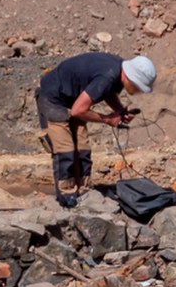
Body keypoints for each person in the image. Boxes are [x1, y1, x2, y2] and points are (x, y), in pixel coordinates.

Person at [35, 52, 157, 208]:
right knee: (65, 149)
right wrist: (108, 119)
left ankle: (84, 189)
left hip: (73, 99)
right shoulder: (108, 76)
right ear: (130, 78)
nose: (139, 91)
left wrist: (120, 111)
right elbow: (78, 111)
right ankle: (66, 195)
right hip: (53, 97)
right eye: (138, 87)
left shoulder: (118, 70)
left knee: (82, 147)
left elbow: (107, 92)